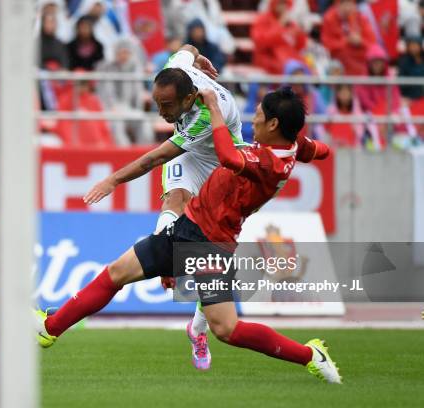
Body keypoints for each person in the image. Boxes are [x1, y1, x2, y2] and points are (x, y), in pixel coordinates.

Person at [35, 87, 341, 385]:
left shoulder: (270, 163)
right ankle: (50, 328)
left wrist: (215, 109)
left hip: (211, 243)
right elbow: (322, 151)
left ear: (274, 124)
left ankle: (310, 355)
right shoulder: (293, 145)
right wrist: (309, 146)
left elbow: (228, 157)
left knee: (227, 330)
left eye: (259, 116)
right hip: (187, 227)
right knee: (116, 273)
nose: (253, 121)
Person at [83, 44, 246, 370]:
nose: (160, 111)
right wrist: (197, 57)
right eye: (156, 102)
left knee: (216, 252)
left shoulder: (203, 115)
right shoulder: (178, 68)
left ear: (188, 99)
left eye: (167, 105)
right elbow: (186, 47)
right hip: (190, 157)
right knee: (175, 197)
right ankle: (164, 252)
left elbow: (155, 157)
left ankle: (198, 328)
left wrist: (113, 180)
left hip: (224, 163)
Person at [96, 39, 154, 145]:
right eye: (121, 52)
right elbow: (105, 94)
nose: (123, 55)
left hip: (129, 109)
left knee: (144, 121)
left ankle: (144, 153)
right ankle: (124, 152)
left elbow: (137, 93)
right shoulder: (106, 68)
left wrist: (138, 108)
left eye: (126, 52)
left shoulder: (134, 68)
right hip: (111, 109)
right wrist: (112, 108)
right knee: (116, 124)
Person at [251, 0, 308, 74]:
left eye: (284, 3)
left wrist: (299, 34)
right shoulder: (262, 19)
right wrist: (280, 25)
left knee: (304, 67)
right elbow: (261, 43)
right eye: (280, 3)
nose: (282, 6)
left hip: (289, 59)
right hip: (268, 58)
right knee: (291, 69)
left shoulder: (289, 23)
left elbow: (300, 46)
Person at [321, 0, 375, 76]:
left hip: (361, 53)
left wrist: (360, 41)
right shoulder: (329, 18)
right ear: (338, 5)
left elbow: (372, 43)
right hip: (340, 58)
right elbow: (327, 44)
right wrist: (347, 41)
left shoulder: (360, 17)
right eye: (345, 4)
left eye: (350, 4)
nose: (347, 8)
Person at [398, 36, 424, 101]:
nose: (413, 48)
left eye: (415, 45)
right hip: (409, 97)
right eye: (411, 46)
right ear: (408, 47)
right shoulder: (403, 61)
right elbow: (401, 82)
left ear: (420, 46)